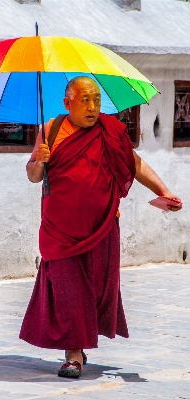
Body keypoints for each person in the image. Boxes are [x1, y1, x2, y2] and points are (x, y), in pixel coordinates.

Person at [19, 76, 182, 378]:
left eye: (96, 99)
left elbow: (134, 164)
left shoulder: (109, 131)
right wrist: (38, 161)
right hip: (60, 230)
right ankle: (73, 353)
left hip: (102, 226)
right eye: (84, 100)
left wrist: (163, 190)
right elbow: (32, 176)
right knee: (70, 290)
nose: (93, 107)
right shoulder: (51, 130)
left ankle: (79, 345)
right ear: (67, 103)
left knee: (93, 289)